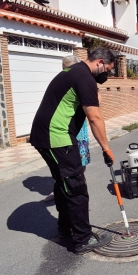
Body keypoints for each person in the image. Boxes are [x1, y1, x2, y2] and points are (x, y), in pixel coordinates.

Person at [30, 47, 115, 255]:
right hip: (57, 138)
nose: (108, 74)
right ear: (100, 62)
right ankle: (82, 240)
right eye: (109, 70)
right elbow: (94, 117)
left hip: (46, 136)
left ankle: (66, 229)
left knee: (63, 183)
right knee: (76, 187)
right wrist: (106, 148)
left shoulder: (73, 71)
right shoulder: (84, 77)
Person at [43, 55, 93, 202]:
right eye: (65, 68)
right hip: (63, 128)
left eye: (69, 67)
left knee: (81, 159)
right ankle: (65, 189)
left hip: (77, 127)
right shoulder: (63, 80)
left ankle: (79, 188)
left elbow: (95, 102)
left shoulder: (84, 79)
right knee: (64, 162)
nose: (67, 70)